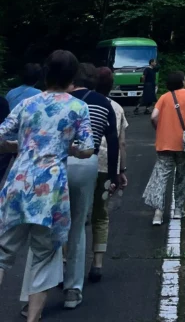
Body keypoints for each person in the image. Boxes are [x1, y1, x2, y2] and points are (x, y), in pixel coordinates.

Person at [0, 51, 94, 322]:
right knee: (44, 256)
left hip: (17, 183)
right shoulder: (78, 107)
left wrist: (17, 146)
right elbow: (88, 148)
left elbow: (2, 136)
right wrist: (70, 150)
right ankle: (32, 319)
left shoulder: (27, 103)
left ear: (46, 73)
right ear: (72, 77)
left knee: (2, 253)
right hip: (50, 190)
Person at [60, 63, 119, 309]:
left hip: (57, 163)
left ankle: (49, 278)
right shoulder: (103, 103)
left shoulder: (60, 99)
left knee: (54, 222)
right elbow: (113, 140)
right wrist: (114, 175)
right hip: (89, 164)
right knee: (82, 223)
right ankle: (76, 286)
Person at [143, 72, 185, 225]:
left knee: (161, 177)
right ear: (182, 81)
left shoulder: (164, 97)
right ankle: (178, 210)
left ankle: (158, 213)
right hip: (184, 144)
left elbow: (153, 116)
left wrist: (160, 130)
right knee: (182, 176)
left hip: (165, 144)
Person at [89, 67, 128, 283]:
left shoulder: (83, 101)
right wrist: (121, 171)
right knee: (101, 214)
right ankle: (97, 263)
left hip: (83, 163)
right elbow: (121, 142)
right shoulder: (117, 108)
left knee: (74, 214)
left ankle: (66, 260)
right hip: (106, 166)